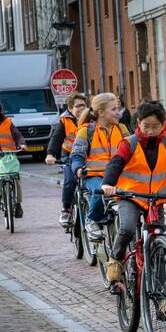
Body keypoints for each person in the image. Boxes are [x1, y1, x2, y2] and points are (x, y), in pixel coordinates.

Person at [101, 100, 166, 284]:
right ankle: (115, 259)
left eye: (155, 126)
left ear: (163, 125)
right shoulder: (129, 143)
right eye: (146, 126)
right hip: (131, 196)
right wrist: (107, 184)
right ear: (138, 124)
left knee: (159, 238)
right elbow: (115, 163)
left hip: (156, 198)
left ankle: (163, 296)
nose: (150, 131)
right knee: (126, 228)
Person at [70, 92, 130, 241]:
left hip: (118, 175)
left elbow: (134, 151)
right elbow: (77, 154)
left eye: (118, 108)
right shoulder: (86, 131)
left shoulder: (122, 129)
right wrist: (78, 169)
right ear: (101, 113)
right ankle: (92, 220)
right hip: (94, 175)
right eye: (114, 109)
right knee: (100, 192)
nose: (118, 112)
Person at [47, 92, 88, 227]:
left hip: (88, 156)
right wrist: (51, 154)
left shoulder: (92, 119)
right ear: (70, 109)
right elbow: (56, 137)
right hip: (69, 156)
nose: (82, 109)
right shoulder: (64, 120)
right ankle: (66, 209)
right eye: (78, 106)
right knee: (70, 180)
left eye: (84, 105)